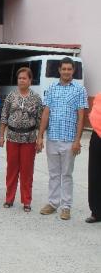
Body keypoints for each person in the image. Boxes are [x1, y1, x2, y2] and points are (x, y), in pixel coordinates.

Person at [37, 57, 88, 220]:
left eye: (69, 69)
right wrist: (40, 136)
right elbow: (46, 113)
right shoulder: (51, 88)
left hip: (69, 140)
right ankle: (52, 203)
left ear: (73, 71)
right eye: (64, 69)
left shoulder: (80, 90)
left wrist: (77, 140)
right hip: (52, 138)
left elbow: (81, 117)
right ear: (59, 70)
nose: (66, 71)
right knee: (53, 174)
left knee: (66, 174)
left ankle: (66, 206)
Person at [0, 67, 43, 212]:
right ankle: (9, 198)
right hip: (12, 137)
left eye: (25, 78)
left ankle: (26, 201)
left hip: (29, 139)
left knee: (27, 171)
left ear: (30, 80)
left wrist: (39, 138)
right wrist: (1, 135)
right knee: (11, 169)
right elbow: (4, 116)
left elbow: (40, 119)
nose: (22, 80)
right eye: (19, 78)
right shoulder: (11, 96)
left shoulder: (36, 98)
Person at [86, 93, 101, 223]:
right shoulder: (98, 97)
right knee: (95, 174)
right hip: (97, 136)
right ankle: (96, 212)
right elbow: (94, 115)